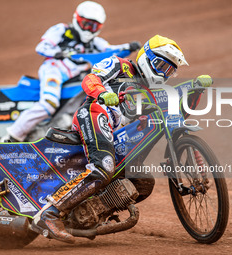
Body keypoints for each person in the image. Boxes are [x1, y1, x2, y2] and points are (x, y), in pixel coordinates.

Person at [31, 35, 213, 243]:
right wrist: (101, 93)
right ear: (147, 58)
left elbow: (179, 114)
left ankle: (88, 216)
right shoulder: (120, 65)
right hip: (95, 113)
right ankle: (50, 214)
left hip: (117, 137)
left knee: (143, 182)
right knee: (104, 166)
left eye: (170, 70)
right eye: (161, 65)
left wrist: (196, 90)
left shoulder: (156, 93)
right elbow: (90, 79)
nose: (164, 74)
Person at [5, 1, 141, 142]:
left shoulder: (96, 42)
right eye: (86, 24)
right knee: (49, 103)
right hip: (54, 69)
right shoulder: (62, 30)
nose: (89, 30)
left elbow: (111, 51)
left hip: (76, 78)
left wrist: (129, 46)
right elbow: (41, 47)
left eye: (94, 26)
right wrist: (57, 52)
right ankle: (12, 136)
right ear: (77, 19)